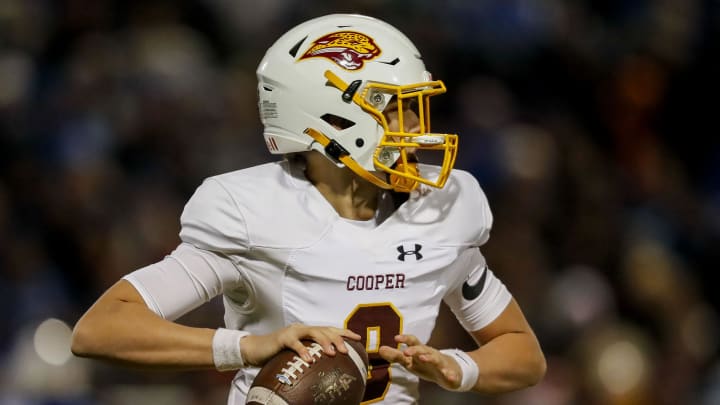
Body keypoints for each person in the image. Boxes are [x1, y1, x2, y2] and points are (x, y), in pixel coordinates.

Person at [71, 13, 546, 404]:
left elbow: (524, 355)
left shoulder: (444, 209)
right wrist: (249, 347)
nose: (414, 128)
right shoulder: (251, 210)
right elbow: (100, 330)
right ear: (334, 119)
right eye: (395, 109)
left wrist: (457, 367)